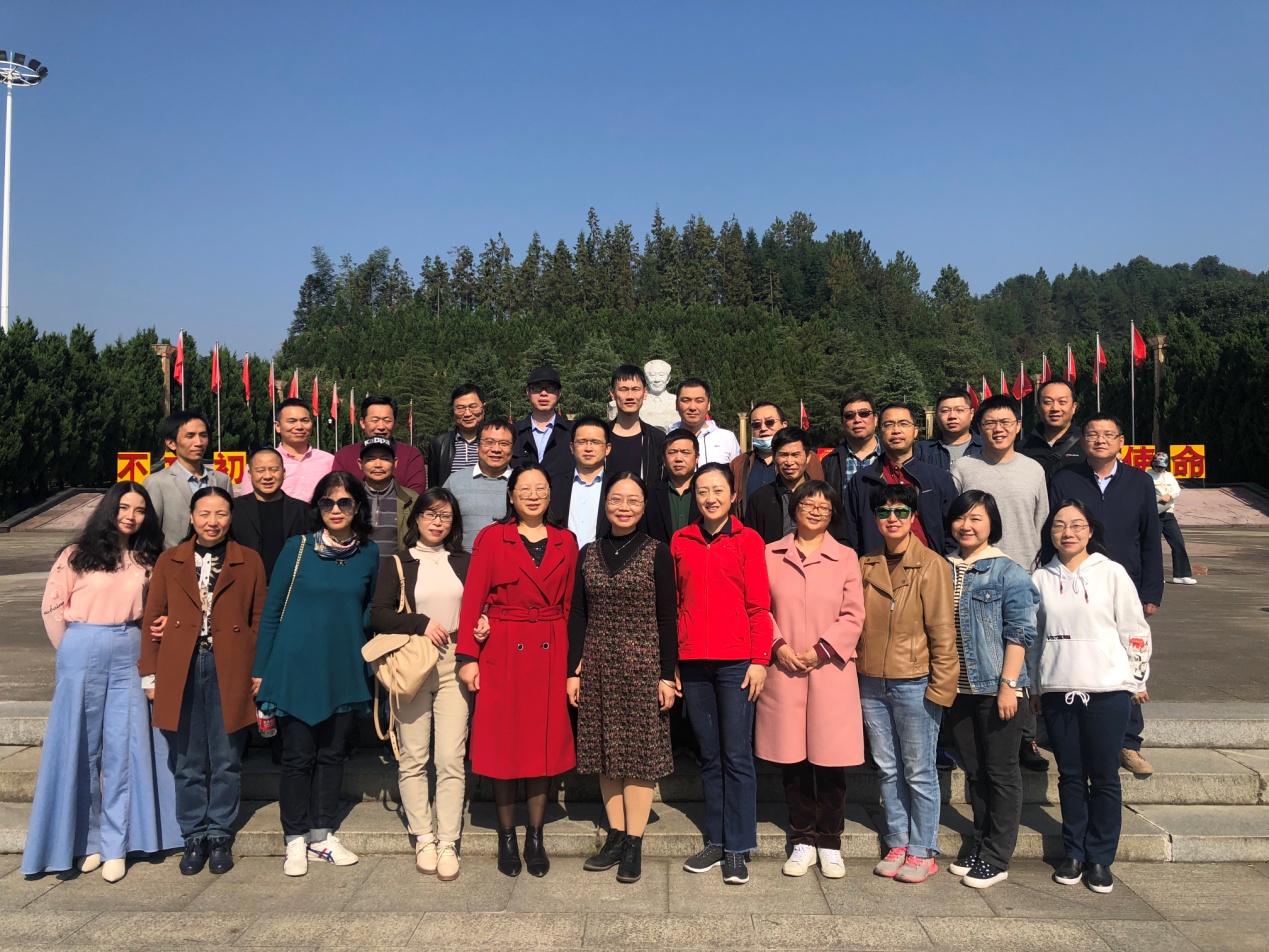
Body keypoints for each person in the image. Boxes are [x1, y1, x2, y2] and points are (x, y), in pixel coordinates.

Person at [22, 482, 181, 881]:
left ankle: (116, 842)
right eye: (124, 507)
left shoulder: (148, 558)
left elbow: (158, 607)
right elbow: (52, 608)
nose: (131, 516)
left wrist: (160, 624)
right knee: (79, 745)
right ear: (110, 509)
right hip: (81, 646)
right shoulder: (77, 555)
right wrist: (71, 650)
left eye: (139, 510)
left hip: (129, 647)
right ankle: (84, 840)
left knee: (125, 746)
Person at [252, 471, 380, 877]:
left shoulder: (369, 554)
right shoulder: (298, 548)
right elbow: (272, 611)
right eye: (327, 502)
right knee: (297, 757)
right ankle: (295, 838)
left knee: (332, 754)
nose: (336, 509)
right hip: (296, 666)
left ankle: (322, 834)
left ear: (358, 507)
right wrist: (261, 670)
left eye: (344, 502)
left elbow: (369, 612)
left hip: (343, 665)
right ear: (317, 507)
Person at [456, 463, 579, 879]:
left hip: (550, 646)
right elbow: (474, 597)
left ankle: (535, 836)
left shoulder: (566, 540)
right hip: (504, 647)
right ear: (510, 496)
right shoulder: (493, 537)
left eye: (540, 488)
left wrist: (573, 663)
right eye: (524, 488)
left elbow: (570, 606)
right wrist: (468, 657)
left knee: (542, 744)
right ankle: (507, 836)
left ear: (550, 494)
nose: (532, 495)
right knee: (504, 743)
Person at [140, 487, 267, 876]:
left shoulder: (249, 560)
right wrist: (150, 673)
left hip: (230, 664)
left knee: (227, 757)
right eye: (205, 514)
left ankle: (219, 833)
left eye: (221, 514)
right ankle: (193, 834)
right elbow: (152, 617)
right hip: (181, 665)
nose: (213, 522)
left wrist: (259, 669)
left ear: (231, 518)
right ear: (192, 517)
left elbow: (259, 619)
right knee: (188, 758)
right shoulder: (170, 560)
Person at [1029, 500, 1151, 895]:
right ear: (1050, 533)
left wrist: (1136, 677)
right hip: (1058, 690)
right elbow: (1033, 637)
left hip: (1107, 690)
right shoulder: (1041, 578)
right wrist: (1035, 685)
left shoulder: (1111, 573)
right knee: (1070, 775)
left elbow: (1134, 628)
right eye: (1059, 525)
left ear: (1090, 531)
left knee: (1104, 776)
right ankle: (1074, 852)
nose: (1068, 532)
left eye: (1077, 525)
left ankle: (1100, 856)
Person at [567, 474, 677, 884]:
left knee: (639, 756)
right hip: (597, 665)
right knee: (604, 751)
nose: (624, 507)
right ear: (605, 504)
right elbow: (578, 613)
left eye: (633, 500)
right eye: (616, 499)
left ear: (644, 506)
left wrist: (666, 675)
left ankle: (634, 842)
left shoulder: (657, 552)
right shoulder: (589, 552)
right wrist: (572, 669)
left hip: (643, 665)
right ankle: (614, 836)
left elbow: (667, 617)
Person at [756, 480, 865, 880]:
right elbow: (759, 608)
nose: (816, 510)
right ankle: (802, 838)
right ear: (794, 508)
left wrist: (820, 650)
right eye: (808, 503)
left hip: (829, 669)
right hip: (784, 668)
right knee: (793, 762)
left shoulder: (846, 557)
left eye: (824, 505)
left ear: (833, 513)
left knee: (831, 761)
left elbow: (853, 614)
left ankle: (830, 842)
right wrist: (778, 646)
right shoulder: (770, 554)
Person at [672, 463, 772, 886]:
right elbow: (675, 603)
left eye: (718, 490)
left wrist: (760, 659)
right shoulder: (681, 540)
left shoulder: (748, 540)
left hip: (736, 663)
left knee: (736, 755)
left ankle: (738, 846)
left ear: (733, 496)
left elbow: (759, 605)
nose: (710, 498)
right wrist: (673, 661)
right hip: (693, 660)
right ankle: (716, 839)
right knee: (709, 755)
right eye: (702, 491)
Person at [371, 488, 475, 882]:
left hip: (454, 663)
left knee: (450, 757)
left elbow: (479, 605)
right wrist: (420, 623)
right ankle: (424, 836)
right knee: (414, 756)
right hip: (412, 664)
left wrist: (480, 623)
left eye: (445, 516)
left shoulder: (465, 561)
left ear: (453, 523)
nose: (437, 522)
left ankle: (448, 840)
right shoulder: (399, 561)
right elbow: (379, 615)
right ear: (416, 518)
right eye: (430, 514)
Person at [1050, 415, 1162, 777]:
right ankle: (1080, 734)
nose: (1100, 440)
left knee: (1128, 657)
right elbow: (1052, 530)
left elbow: (1150, 538)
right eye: (1093, 434)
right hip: (1075, 584)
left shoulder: (1139, 481)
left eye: (1108, 435)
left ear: (1121, 441)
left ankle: (1129, 742)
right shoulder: (1066, 479)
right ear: (1083, 440)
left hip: (1125, 585)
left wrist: (1152, 590)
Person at [857, 484, 957, 884]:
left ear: (913, 517)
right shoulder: (866, 564)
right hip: (871, 681)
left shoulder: (932, 565)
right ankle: (898, 840)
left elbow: (943, 631)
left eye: (901, 511)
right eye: (884, 512)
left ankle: (922, 849)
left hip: (914, 681)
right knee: (886, 767)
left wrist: (942, 687)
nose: (892, 519)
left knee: (919, 769)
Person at [943, 491, 1040, 888]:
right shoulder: (943, 567)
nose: (966, 526)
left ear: (991, 525)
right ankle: (981, 842)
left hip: (996, 689)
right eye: (960, 518)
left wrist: (1008, 686)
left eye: (976, 519)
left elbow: (1020, 632)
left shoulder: (1008, 572)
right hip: (957, 691)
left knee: (1001, 773)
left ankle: (998, 857)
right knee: (975, 771)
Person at [951, 396, 1051, 773]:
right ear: (979, 428)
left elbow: (1042, 523)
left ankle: (1026, 736)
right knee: (980, 654)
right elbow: (956, 519)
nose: (998, 429)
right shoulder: (963, 467)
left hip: (1021, 574)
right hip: (976, 576)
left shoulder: (1033, 470)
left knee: (1024, 652)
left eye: (1006, 422)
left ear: (1018, 426)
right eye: (990, 423)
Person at [845, 404, 958, 557]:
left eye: (904, 424)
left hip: (929, 566)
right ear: (880, 432)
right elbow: (852, 534)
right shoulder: (862, 481)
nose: (896, 430)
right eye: (888, 425)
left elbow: (954, 530)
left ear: (915, 431)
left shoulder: (938, 479)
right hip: (878, 566)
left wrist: (945, 564)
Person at [147, 410, 233, 548]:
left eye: (203, 435)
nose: (199, 442)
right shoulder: (157, 483)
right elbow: (149, 532)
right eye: (190, 436)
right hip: (174, 558)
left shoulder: (222, 480)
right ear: (171, 443)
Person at [745, 428, 845, 546]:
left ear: (808, 457)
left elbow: (840, 539)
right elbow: (751, 545)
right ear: (774, 457)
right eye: (783, 455)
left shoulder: (824, 497)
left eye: (795, 455)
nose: (789, 462)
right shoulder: (759, 499)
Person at [731, 402, 825, 519]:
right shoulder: (739, 463)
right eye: (756, 425)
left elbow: (819, 497)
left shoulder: (807, 459)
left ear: (784, 425)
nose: (763, 428)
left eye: (769, 422)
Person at [230, 447, 309, 582]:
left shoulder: (303, 510)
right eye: (260, 470)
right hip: (246, 584)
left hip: (292, 586)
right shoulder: (233, 509)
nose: (267, 476)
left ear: (284, 473)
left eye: (274, 469)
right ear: (249, 474)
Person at [239, 397, 334, 500]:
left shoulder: (329, 461)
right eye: (292, 421)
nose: (299, 427)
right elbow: (248, 501)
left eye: (305, 420)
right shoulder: (259, 462)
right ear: (277, 426)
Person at [332, 394, 427, 493]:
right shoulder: (345, 455)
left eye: (387, 420)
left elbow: (415, 496)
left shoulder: (411, 455)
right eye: (375, 420)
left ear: (394, 423)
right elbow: (336, 493)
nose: (381, 427)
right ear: (362, 423)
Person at [444, 419, 514, 550]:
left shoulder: (522, 483)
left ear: (512, 448)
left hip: (510, 561)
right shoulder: (455, 481)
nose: (496, 449)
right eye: (489, 442)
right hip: (465, 560)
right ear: (478, 446)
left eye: (504, 444)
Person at [549, 416, 612, 548]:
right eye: (582, 442)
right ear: (572, 447)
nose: (588, 448)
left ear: (607, 448)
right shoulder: (554, 485)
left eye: (595, 442)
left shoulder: (616, 486)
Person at [358, 436, 419, 558]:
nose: (378, 465)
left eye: (385, 458)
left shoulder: (411, 499)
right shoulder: (350, 499)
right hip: (359, 568)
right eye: (370, 459)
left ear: (395, 463)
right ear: (360, 464)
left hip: (398, 568)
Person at [607, 365, 667, 483]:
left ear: (645, 393)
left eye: (635, 389)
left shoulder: (657, 439)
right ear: (613, 393)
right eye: (623, 389)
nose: (630, 396)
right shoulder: (602, 437)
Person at [821, 392, 883, 505]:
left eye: (864, 414)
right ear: (842, 422)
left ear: (875, 419)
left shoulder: (892, 456)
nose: (857, 420)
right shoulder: (830, 463)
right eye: (849, 416)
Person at [512, 366, 573, 475]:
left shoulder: (573, 432)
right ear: (528, 392)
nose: (544, 393)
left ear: (559, 393)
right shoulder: (514, 433)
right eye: (537, 387)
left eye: (551, 388)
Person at [667, 377, 741, 466]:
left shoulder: (727, 438)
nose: (692, 407)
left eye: (699, 401)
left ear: (708, 404)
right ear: (676, 404)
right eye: (686, 401)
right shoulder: (666, 437)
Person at [1021, 380, 1085, 480]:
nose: (1055, 408)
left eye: (1062, 402)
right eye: (1047, 402)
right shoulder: (1025, 446)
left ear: (1074, 407)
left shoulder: (1087, 443)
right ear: (1038, 407)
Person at [646, 430, 701, 545]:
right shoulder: (650, 495)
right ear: (664, 458)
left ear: (697, 457)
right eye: (672, 452)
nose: (678, 458)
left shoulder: (707, 493)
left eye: (685, 452)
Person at [1150, 452, 1197, 584]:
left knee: (1178, 543)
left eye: (1162, 467)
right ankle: (1156, 576)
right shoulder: (1147, 476)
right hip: (1154, 514)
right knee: (1154, 546)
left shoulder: (1169, 476)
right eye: (1157, 466)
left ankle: (1182, 575)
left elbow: (1177, 490)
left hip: (1168, 514)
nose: (1159, 469)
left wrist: (1169, 495)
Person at [427, 384, 486, 489]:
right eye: (460, 408)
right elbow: (434, 488)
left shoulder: (497, 442)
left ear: (483, 408)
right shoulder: (439, 444)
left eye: (473, 407)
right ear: (453, 411)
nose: (467, 414)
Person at [918, 388, 983, 470]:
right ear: (936, 415)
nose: (952, 416)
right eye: (945, 411)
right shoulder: (922, 451)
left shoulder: (987, 447)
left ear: (971, 413)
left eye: (959, 410)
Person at [639, 358, 679, 431]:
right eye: (652, 375)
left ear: (668, 378)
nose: (657, 380)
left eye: (661, 375)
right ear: (646, 379)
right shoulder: (638, 401)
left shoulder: (677, 401)